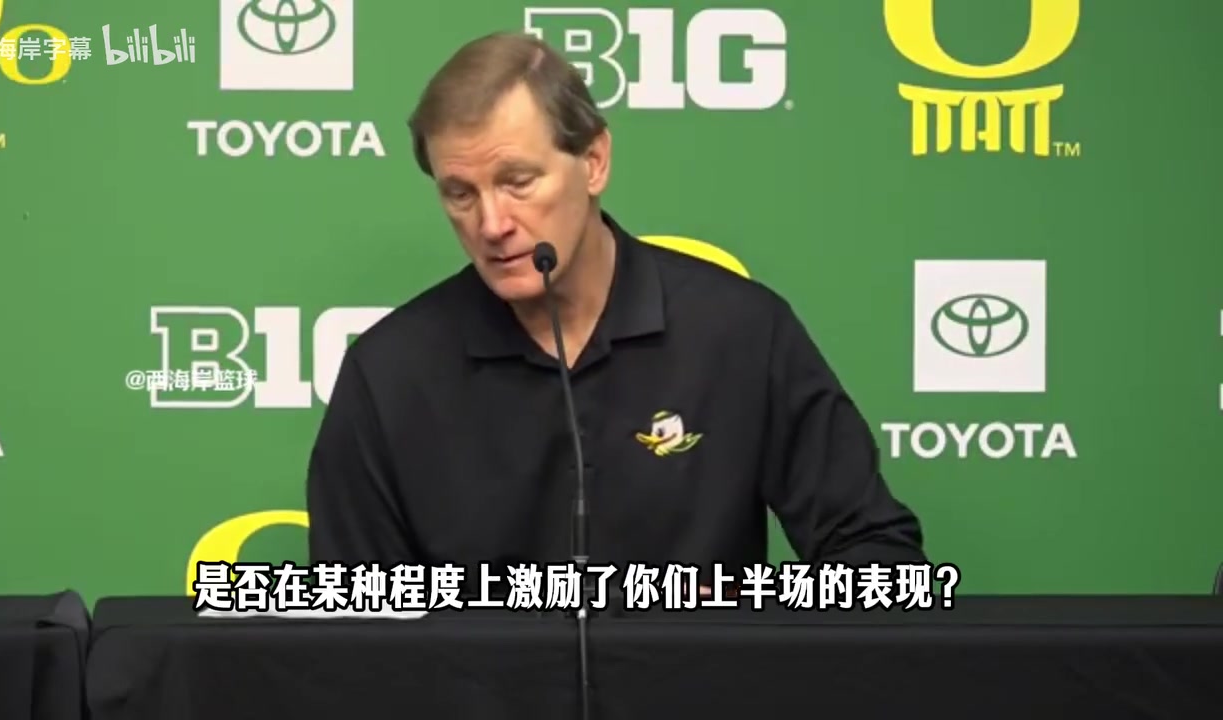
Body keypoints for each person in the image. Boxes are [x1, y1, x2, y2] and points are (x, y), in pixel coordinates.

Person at [305, 32, 926, 591]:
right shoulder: (389, 374)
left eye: (518, 182)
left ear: (594, 161)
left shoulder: (739, 332)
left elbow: (876, 554)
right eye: (461, 194)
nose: (492, 224)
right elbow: (351, 625)